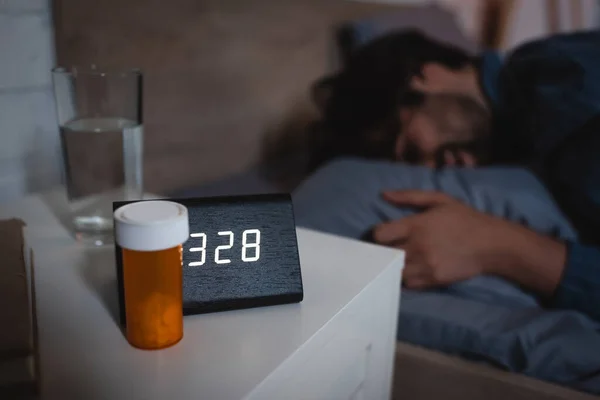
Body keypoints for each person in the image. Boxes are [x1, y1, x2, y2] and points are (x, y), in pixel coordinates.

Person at [368, 31, 600, 321]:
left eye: (413, 151)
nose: (432, 170)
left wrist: (500, 247)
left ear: (425, 75)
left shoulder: (561, 86)